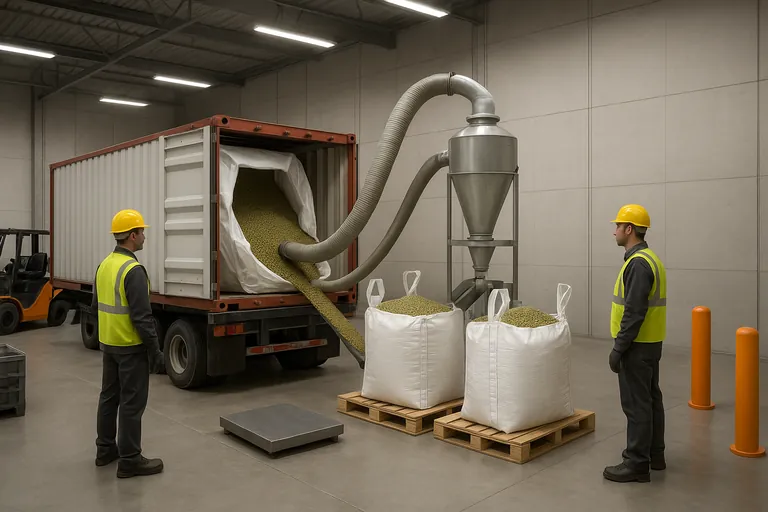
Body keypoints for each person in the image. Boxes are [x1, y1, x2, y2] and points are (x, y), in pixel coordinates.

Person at [92, 209, 165, 479]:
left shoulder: (104, 265)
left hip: (109, 344)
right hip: (131, 347)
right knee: (132, 404)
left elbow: (95, 305)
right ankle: (131, 460)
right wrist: (155, 351)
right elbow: (142, 318)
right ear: (132, 236)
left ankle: (104, 450)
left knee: (109, 398)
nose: (145, 236)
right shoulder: (133, 270)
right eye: (142, 232)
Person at [603, 204, 667, 484]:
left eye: (618, 226)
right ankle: (655, 455)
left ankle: (637, 463)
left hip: (636, 346)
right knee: (651, 399)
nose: (614, 230)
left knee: (637, 405)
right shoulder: (650, 259)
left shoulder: (638, 264)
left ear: (629, 230)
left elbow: (634, 311)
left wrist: (619, 348)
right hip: (650, 343)